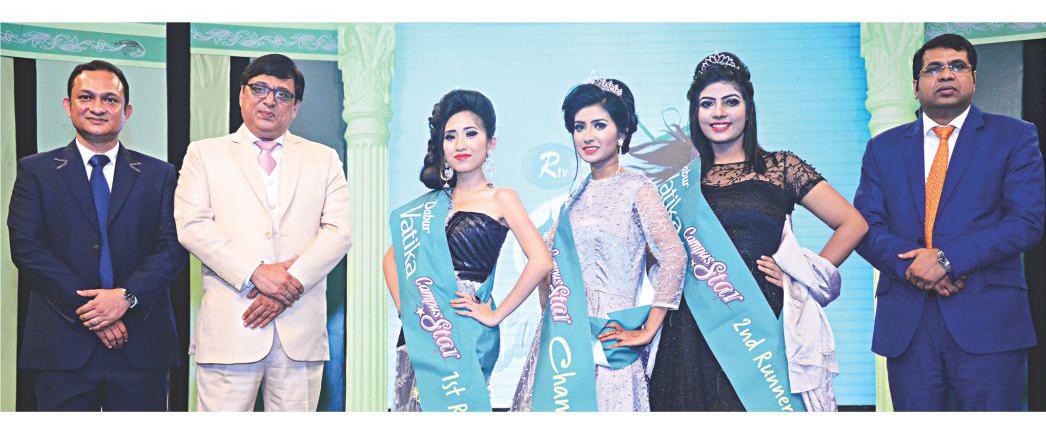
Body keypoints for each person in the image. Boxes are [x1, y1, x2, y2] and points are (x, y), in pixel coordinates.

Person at [648, 52, 867, 411]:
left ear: (748, 109)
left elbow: (853, 224)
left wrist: (801, 274)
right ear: (695, 113)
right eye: (707, 104)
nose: (719, 112)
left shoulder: (781, 167)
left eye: (730, 101)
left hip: (761, 320)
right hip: (692, 328)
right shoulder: (681, 185)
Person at [854, 33, 1046, 411]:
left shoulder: (1014, 137)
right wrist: (915, 268)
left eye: (957, 66)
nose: (946, 75)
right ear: (915, 85)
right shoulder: (883, 148)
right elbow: (865, 226)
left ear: (973, 79)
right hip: (908, 323)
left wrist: (946, 260)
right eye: (933, 69)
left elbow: (1026, 222)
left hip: (988, 320)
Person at [175, 53, 352, 412]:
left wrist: (288, 285)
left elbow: (339, 233)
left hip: (299, 332)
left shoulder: (324, 159)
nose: (270, 100)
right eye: (259, 89)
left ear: (295, 107)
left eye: (283, 94)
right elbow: (192, 226)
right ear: (242, 94)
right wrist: (255, 272)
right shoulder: (204, 155)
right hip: (231, 329)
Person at [8, 60, 187, 411]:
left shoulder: (160, 174)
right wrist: (93, 311)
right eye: (86, 97)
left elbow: (172, 249)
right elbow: (27, 248)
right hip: (62, 347)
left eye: (110, 99)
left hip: (141, 344)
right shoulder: (36, 171)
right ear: (68, 105)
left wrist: (126, 298)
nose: (97, 107)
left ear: (127, 111)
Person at [509, 78, 687, 412]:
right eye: (579, 127)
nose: (587, 136)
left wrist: (648, 329)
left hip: (608, 343)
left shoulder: (637, 188)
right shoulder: (574, 198)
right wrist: (550, 313)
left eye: (599, 125)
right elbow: (545, 262)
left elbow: (674, 256)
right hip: (564, 338)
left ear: (622, 132)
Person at [383, 89, 552, 412]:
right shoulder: (430, 205)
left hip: (467, 329)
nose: (460, 144)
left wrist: (496, 314)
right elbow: (391, 259)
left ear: (491, 143)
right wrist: (409, 310)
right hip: (423, 329)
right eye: (451, 136)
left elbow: (541, 261)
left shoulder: (502, 198)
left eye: (471, 134)